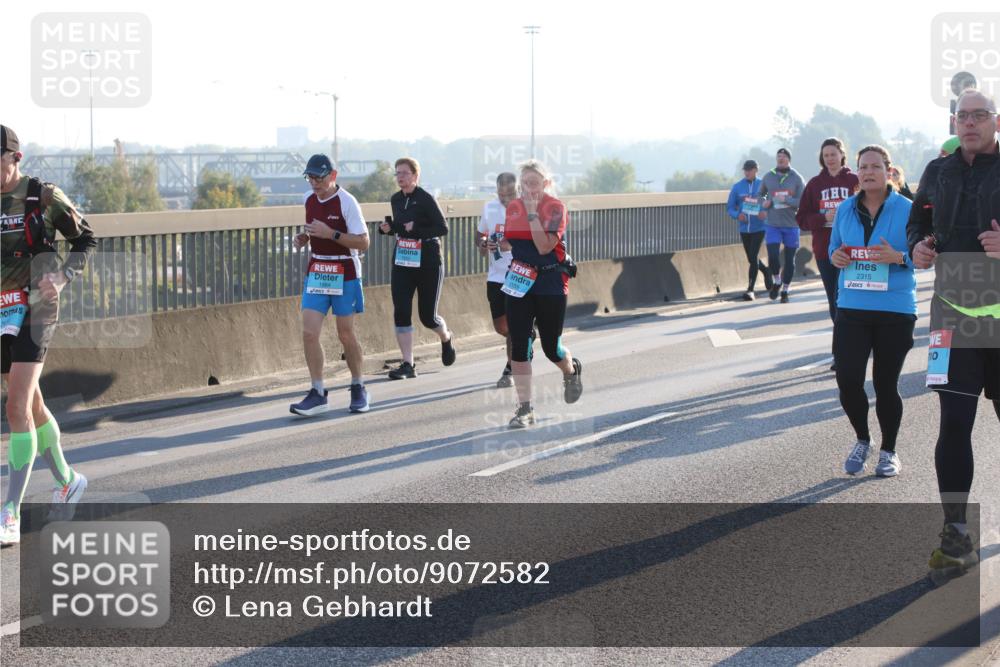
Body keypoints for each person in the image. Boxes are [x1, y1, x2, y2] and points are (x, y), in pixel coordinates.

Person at [907, 89, 1000, 573]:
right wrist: (918, 248)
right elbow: (916, 222)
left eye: (979, 115)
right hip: (951, 316)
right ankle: (956, 533)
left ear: (996, 121)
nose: (970, 123)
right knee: (954, 424)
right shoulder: (937, 171)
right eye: (963, 116)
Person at [1, 125, 95, 546]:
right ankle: (69, 480)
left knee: (16, 405)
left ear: (15, 158)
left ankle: (10, 511)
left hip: (38, 307)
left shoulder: (42, 196)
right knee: (32, 403)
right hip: (2, 309)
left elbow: (86, 239)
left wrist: (61, 277)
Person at [829, 145, 916, 478]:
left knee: (885, 384)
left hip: (894, 309)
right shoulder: (845, 209)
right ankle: (863, 439)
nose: (868, 172)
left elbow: (925, 254)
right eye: (863, 167)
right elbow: (835, 248)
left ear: (888, 171)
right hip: (852, 306)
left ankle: (889, 451)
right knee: (848, 380)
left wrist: (899, 257)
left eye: (875, 167)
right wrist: (837, 256)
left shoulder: (907, 209)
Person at [498, 160, 582, 427]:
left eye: (533, 183)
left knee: (551, 348)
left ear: (546, 183)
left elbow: (544, 246)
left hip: (550, 282)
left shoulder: (556, 208)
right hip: (520, 281)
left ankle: (570, 369)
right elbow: (512, 241)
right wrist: (497, 242)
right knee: (519, 345)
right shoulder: (514, 207)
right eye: (524, 183)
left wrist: (533, 214)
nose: (527, 188)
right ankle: (525, 409)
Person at [289, 154, 371, 416]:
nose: (314, 183)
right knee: (309, 332)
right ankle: (318, 392)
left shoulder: (347, 202)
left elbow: (364, 242)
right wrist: (304, 238)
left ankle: (358, 386)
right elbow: (315, 231)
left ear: (333, 176)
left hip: (345, 270)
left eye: (319, 177)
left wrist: (331, 233)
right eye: (310, 177)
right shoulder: (308, 198)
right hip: (318, 269)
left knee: (345, 334)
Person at [378, 158, 456, 379]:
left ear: (415, 175)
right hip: (403, 260)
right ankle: (408, 364)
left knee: (427, 317)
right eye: (397, 173)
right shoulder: (395, 199)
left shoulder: (425, 198)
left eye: (404, 173)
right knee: (401, 310)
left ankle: (446, 337)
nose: (400, 177)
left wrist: (417, 228)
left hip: (428, 261)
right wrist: (388, 228)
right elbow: (401, 228)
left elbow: (442, 228)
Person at [796, 138, 860, 356]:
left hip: (854, 251)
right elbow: (802, 218)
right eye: (826, 155)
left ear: (842, 154)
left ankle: (853, 346)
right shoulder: (814, 184)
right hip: (825, 251)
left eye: (833, 154)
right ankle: (842, 352)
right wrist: (823, 217)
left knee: (849, 301)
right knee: (835, 301)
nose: (830, 159)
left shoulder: (855, 180)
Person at [478, 172, 529, 388]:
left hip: (519, 273)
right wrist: (483, 243)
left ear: (518, 190)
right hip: (495, 274)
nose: (505, 198)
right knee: (501, 327)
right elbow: (480, 234)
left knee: (515, 325)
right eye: (501, 194)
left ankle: (510, 368)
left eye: (509, 194)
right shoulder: (490, 208)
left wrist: (513, 245)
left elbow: (537, 241)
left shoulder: (527, 209)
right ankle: (524, 338)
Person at [758, 148, 805, 302]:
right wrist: (763, 202)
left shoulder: (796, 178)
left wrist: (788, 201)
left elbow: (803, 201)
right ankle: (777, 280)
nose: (781, 158)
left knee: (790, 260)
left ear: (789, 159)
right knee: (773, 255)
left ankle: (785, 290)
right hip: (772, 223)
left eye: (784, 156)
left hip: (791, 224)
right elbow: (760, 194)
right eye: (778, 156)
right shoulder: (768, 176)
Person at [726, 159, 773, 300]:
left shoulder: (763, 185)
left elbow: (771, 203)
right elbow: (729, 207)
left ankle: (750, 290)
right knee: (751, 258)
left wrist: (765, 212)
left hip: (759, 227)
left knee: (753, 256)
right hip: (744, 229)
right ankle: (766, 271)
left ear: (756, 170)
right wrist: (737, 215)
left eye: (750, 170)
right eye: (745, 170)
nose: (747, 172)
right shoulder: (737, 187)